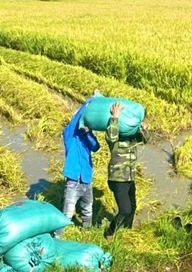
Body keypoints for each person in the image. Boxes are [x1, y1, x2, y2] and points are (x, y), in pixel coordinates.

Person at [103, 102, 150, 242]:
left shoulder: (132, 137)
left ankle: (126, 231)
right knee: (125, 210)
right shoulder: (115, 138)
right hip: (118, 178)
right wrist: (115, 116)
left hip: (130, 177)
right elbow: (110, 136)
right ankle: (109, 232)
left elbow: (146, 140)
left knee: (133, 206)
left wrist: (143, 128)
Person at [56, 98, 100, 237]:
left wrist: (88, 132)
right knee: (68, 211)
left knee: (88, 209)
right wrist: (90, 101)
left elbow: (96, 147)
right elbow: (75, 120)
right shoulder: (69, 136)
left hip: (86, 179)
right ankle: (58, 236)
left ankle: (87, 233)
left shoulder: (86, 137)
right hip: (73, 179)